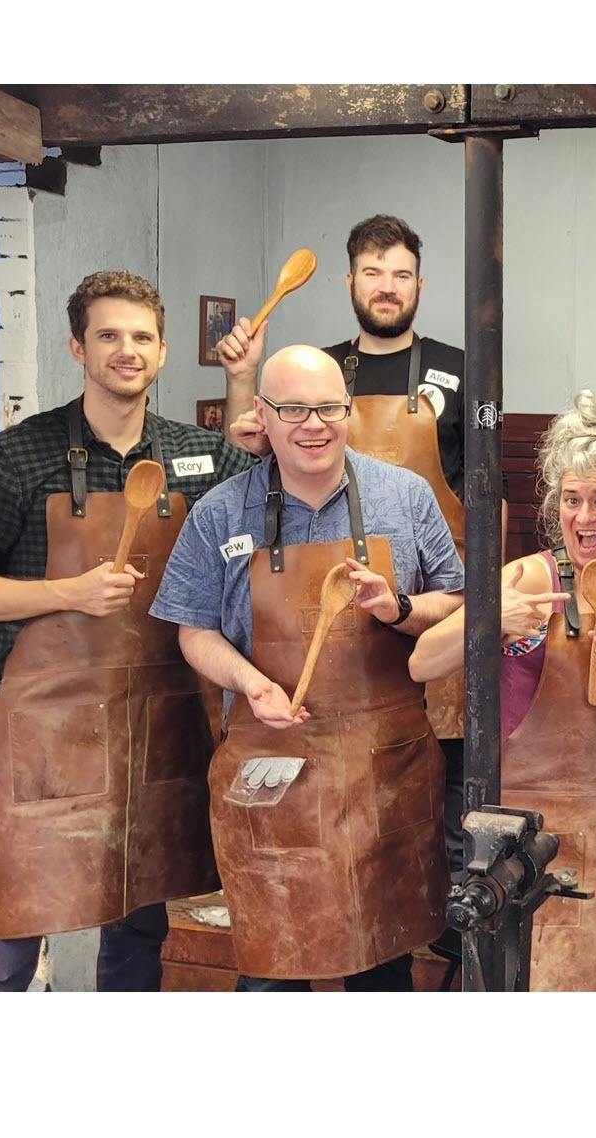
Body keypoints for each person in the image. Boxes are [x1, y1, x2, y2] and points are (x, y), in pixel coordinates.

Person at [0, 270, 256, 991]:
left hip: (156, 727)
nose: (126, 350)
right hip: (46, 734)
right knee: (13, 921)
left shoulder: (191, 457)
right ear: (79, 348)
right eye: (109, 335)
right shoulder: (12, 457)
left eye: (141, 337)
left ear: (164, 351)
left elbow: (259, 475)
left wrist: (246, 383)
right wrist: (67, 593)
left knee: (140, 925)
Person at [150, 344, 464, 990]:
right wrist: (251, 681)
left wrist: (397, 605)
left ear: (347, 410)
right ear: (261, 416)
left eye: (326, 407)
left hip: (384, 774)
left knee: (385, 962)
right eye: (293, 409)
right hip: (274, 767)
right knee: (274, 961)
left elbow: (457, 603)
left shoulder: (404, 496)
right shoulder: (221, 512)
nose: (313, 424)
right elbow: (193, 629)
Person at [217, 215, 470, 885]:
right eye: (373, 273)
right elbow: (248, 448)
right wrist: (243, 383)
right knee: (321, 810)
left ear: (420, 284)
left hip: (422, 601)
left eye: (401, 275)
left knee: (422, 793)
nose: (387, 288)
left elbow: (483, 493)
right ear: (349, 281)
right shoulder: (318, 372)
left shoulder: (461, 368)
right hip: (322, 593)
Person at [409, 390, 596, 990]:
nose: (586, 518)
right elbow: (421, 661)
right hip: (527, 839)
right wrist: (487, 623)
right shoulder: (526, 577)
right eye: (572, 501)